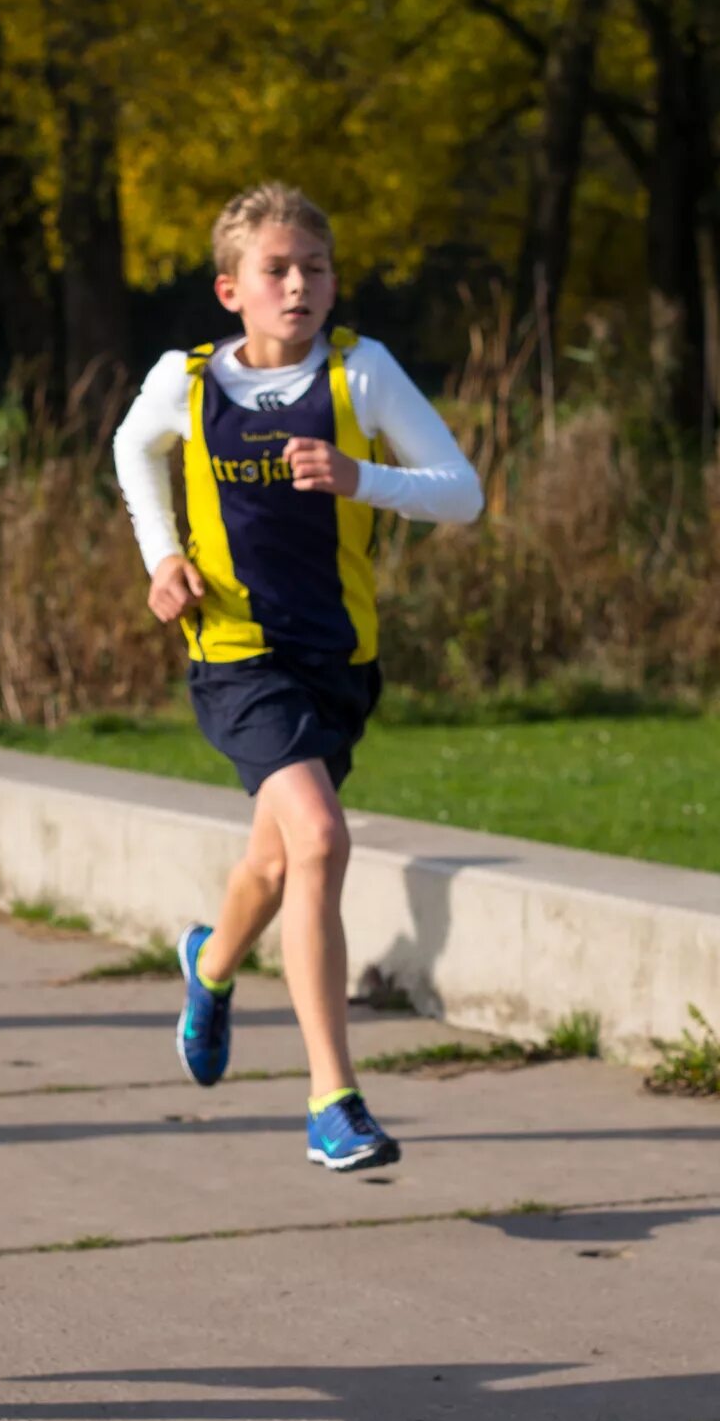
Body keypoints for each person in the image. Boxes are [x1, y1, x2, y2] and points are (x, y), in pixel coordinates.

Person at [110, 183, 483, 1171]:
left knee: (276, 863)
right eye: (276, 270)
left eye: (314, 268)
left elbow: (463, 494)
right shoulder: (184, 382)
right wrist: (161, 557)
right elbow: (131, 450)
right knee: (319, 839)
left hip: (338, 660)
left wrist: (367, 480)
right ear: (231, 288)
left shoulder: (362, 375)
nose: (299, 285)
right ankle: (333, 1100)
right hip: (233, 655)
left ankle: (210, 961)